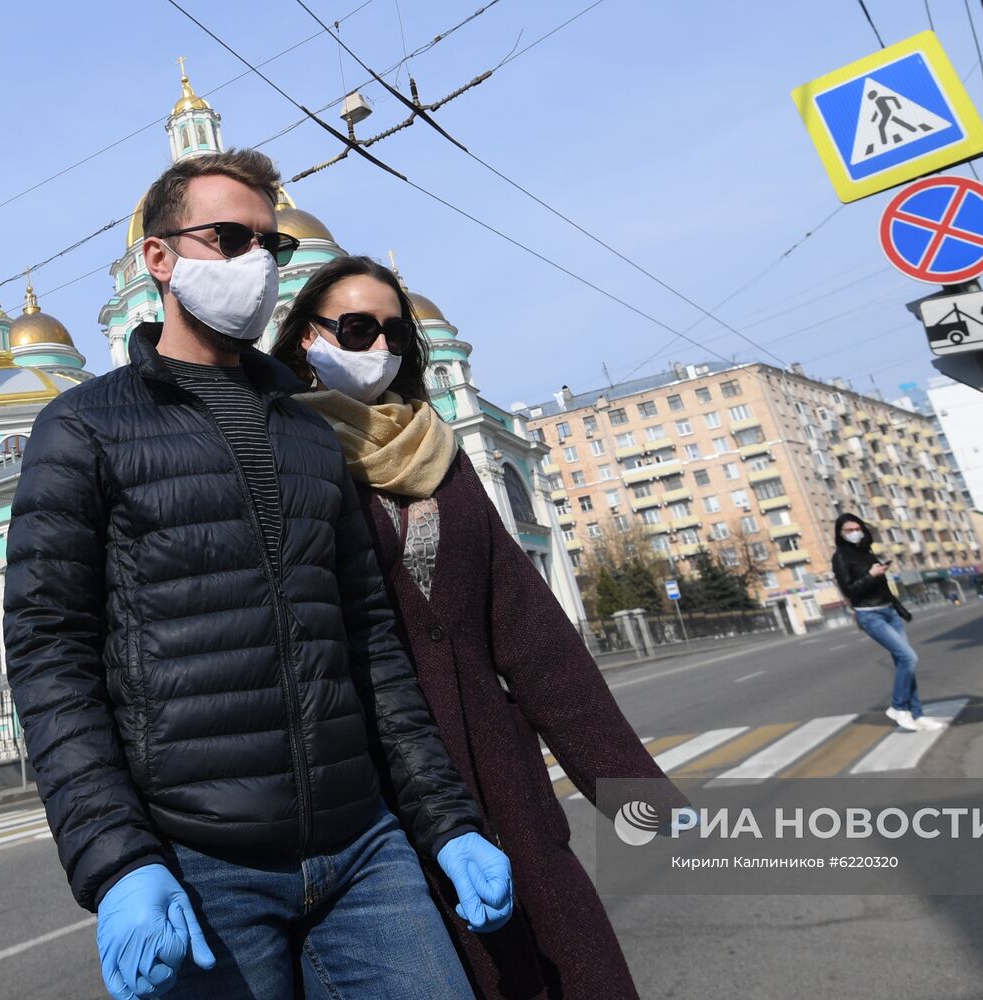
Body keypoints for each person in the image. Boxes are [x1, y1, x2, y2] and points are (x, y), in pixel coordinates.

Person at [3, 151, 511, 1000]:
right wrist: (117, 858)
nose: (256, 266)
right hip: (202, 866)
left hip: (364, 851)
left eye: (269, 247)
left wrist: (447, 821)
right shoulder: (84, 428)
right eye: (229, 238)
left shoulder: (313, 439)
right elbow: (50, 654)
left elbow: (370, 643)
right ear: (157, 260)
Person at [269, 255, 686, 1000]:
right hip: (380, 798)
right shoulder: (281, 455)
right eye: (356, 329)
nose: (378, 349)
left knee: (572, 965)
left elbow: (529, 632)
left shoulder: (437, 453)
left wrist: (630, 790)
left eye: (394, 334)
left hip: (502, 773)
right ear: (305, 337)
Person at [831, 513, 944, 733]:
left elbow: (883, 588)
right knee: (908, 657)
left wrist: (900, 609)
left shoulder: (867, 552)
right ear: (841, 533)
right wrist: (871, 575)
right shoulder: (841, 557)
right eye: (849, 530)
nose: (854, 533)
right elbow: (849, 590)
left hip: (889, 611)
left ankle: (917, 715)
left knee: (905, 664)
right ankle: (898, 707)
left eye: (857, 528)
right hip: (870, 614)